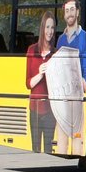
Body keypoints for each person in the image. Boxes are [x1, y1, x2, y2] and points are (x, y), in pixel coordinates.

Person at [54, 0, 86, 156]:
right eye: (66, 10)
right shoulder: (61, 39)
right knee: (62, 135)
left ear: (78, 12)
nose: (69, 13)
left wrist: (83, 86)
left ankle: (77, 153)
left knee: (77, 136)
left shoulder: (85, 38)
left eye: (72, 10)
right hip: (61, 94)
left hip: (76, 95)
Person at [25, 10, 58, 153]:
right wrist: (40, 73)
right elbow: (28, 83)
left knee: (49, 149)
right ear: (42, 28)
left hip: (51, 110)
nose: (49, 31)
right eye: (47, 27)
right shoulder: (32, 50)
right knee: (36, 148)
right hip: (35, 109)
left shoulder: (56, 54)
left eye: (52, 28)